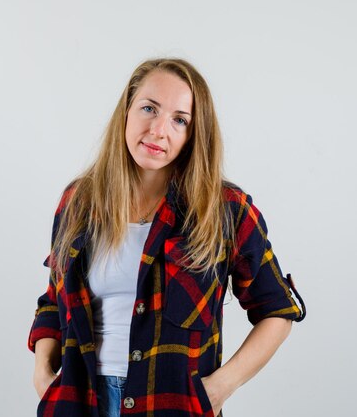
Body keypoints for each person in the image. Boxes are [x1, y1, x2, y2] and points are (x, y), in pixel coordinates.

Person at [27, 58, 306, 417]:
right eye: (148, 108)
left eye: (179, 119)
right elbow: (53, 300)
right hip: (79, 402)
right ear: (126, 111)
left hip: (172, 406)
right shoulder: (79, 201)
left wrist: (218, 389)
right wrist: (42, 373)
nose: (159, 130)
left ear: (194, 134)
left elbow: (277, 311)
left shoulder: (225, 210)